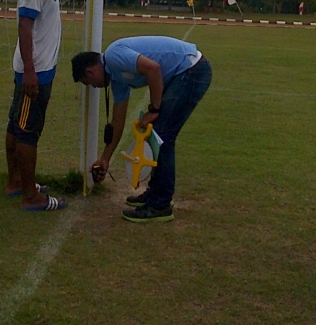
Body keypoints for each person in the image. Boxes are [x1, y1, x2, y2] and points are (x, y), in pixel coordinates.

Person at [5, 0, 101, 210]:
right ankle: (30, 196)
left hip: (38, 69)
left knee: (16, 126)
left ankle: (17, 182)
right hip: (35, 72)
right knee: (27, 132)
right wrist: (31, 72)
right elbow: (24, 26)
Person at [71, 35, 212, 223]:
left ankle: (160, 205)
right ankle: (155, 194)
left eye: (89, 83)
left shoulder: (114, 55)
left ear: (89, 72)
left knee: (162, 137)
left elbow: (153, 68)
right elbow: (118, 121)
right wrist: (105, 159)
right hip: (183, 73)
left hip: (192, 69)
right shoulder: (117, 79)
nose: (94, 87)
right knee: (157, 135)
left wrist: (154, 109)